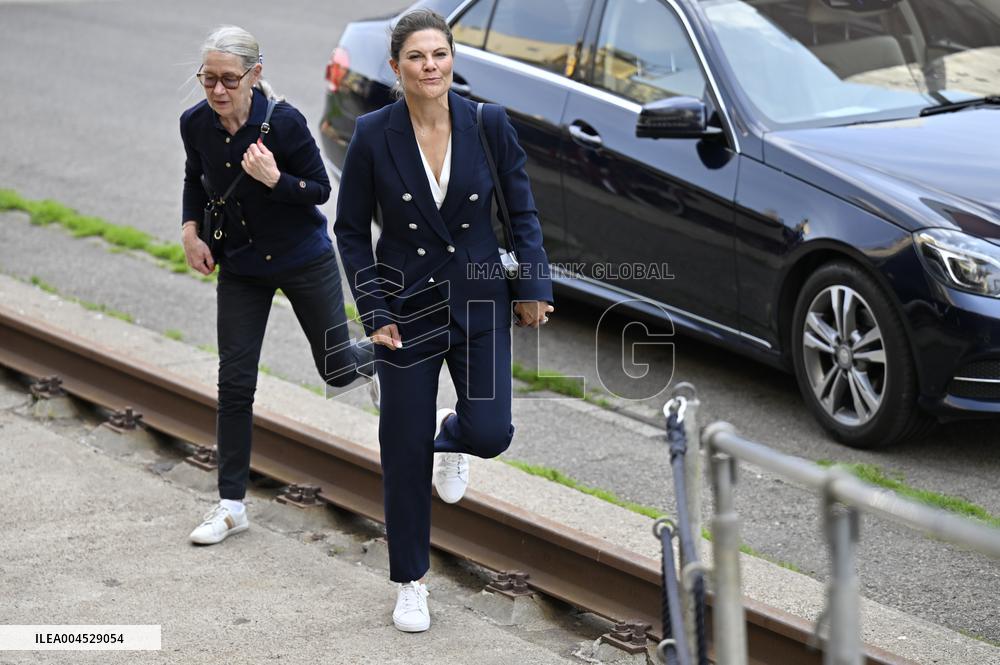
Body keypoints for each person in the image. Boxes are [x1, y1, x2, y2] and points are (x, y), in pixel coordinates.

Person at [334, 9, 555, 633]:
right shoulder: (375, 133)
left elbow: (522, 210)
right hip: (405, 312)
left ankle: (451, 438)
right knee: (401, 452)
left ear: (451, 58)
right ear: (396, 65)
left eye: (439, 54)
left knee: (490, 432)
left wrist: (533, 286)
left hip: (481, 301)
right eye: (416, 57)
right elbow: (351, 232)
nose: (429, 67)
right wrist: (373, 310)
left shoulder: (487, 122)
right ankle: (410, 581)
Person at [180, 25, 377, 546]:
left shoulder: (283, 124)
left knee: (336, 370)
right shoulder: (195, 124)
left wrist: (274, 180)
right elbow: (193, 178)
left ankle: (381, 358)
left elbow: (319, 189)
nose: (218, 91)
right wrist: (190, 231)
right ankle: (230, 506)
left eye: (229, 79)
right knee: (235, 381)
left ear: (255, 74)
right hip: (242, 266)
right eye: (208, 80)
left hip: (302, 260)